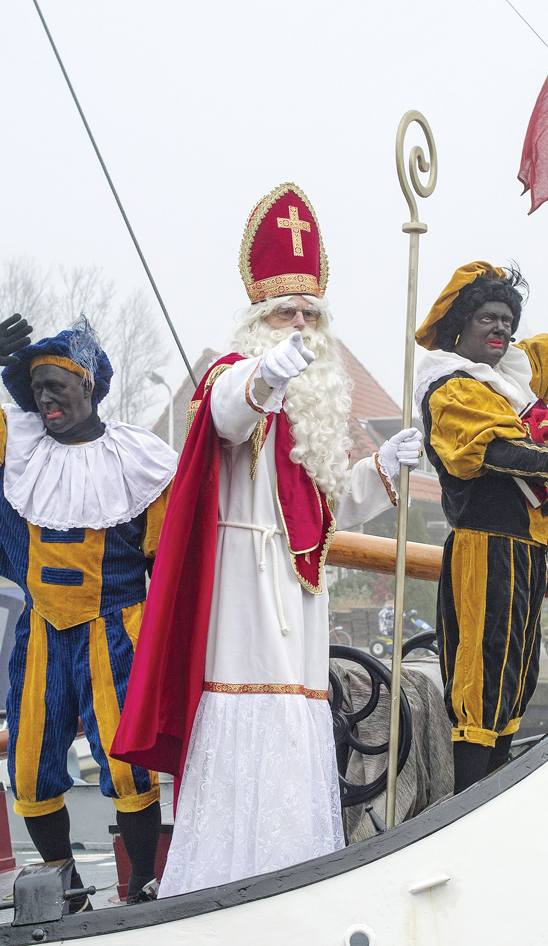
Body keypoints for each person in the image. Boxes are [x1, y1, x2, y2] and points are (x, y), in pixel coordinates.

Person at [113, 183, 423, 896]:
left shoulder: (315, 412)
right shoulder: (237, 375)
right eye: (287, 311)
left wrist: (381, 466)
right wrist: (267, 374)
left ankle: (294, 877)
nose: (301, 323)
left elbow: (328, 508)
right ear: (259, 321)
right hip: (243, 594)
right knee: (247, 717)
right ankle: (222, 884)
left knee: (296, 720)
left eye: (311, 314)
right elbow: (225, 413)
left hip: (300, 597)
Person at [0, 315, 174, 905]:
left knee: (127, 769)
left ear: (87, 384)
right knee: (32, 770)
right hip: (41, 631)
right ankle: (64, 883)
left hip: (117, 629)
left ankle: (142, 881)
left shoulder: (140, 461)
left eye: (55, 385)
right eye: (35, 387)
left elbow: (167, 561)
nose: (43, 397)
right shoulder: (13, 445)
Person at [410, 248, 548, 792]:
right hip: (484, 545)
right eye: (489, 319)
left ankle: (492, 786)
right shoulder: (451, 385)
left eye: (508, 320)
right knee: (482, 674)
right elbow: (489, 449)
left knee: (516, 673)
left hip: (523, 548)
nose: (502, 329)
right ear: (461, 327)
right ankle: (465, 799)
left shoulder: (506, 374)